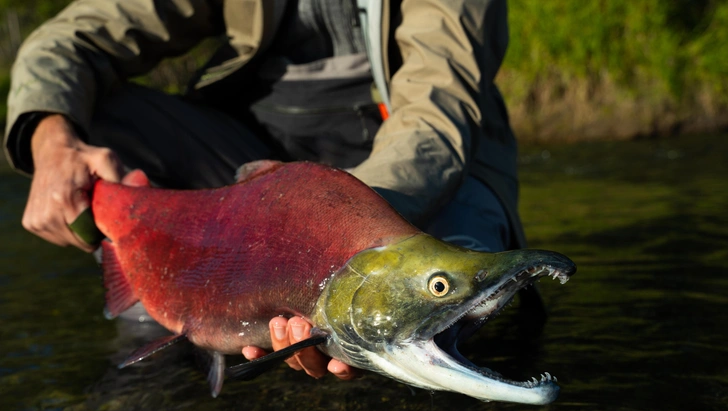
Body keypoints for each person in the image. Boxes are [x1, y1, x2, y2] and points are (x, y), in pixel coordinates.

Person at [4, 0, 534, 380]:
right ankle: (159, 326)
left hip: (413, 173)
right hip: (255, 162)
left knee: (464, 310)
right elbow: (73, 38)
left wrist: (335, 230)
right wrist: (49, 137)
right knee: (90, 113)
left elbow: (434, 117)